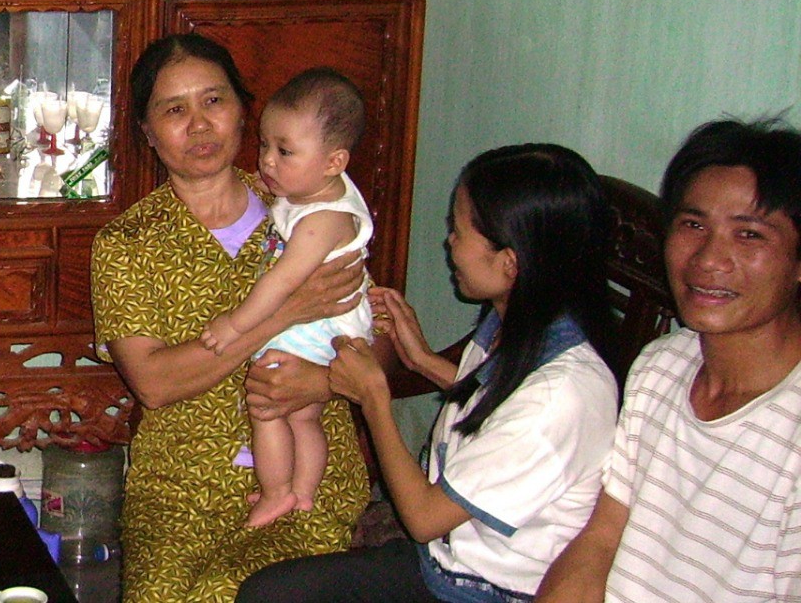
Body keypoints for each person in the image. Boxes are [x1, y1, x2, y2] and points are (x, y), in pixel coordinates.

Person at [239, 143, 623, 602]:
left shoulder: (562, 394)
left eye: (458, 232)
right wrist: (424, 362)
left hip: (484, 589)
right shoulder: (520, 319)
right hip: (445, 561)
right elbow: (498, 410)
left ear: (510, 262)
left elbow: (423, 519)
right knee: (269, 593)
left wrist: (374, 399)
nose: (449, 244)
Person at [92, 34, 369, 602]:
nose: (198, 125)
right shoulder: (125, 244)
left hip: (305, 478)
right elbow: (156, 382)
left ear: (245, 111)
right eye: (174, 110)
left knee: (228, 593)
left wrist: (318, 380)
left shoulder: (311, 206)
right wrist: (284, 314)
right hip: (180, 487)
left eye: (213, 101)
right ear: (147, 132)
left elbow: (370, 334)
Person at [538, 117, 801, 602]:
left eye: (749, 236)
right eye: (694, 225)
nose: (707, 259)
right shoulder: (662, 365)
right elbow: (600, 540)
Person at [201, 68, 375, 528]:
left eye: (285, 151)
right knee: (304, 418)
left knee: (266, 407)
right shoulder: (323, 192)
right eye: (263, 146)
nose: (268, 162)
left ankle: (277, 491)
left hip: (317, 328)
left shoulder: (321, 221)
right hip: (335, 327)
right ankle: (302, 491)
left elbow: (280, 283)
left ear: (334, 162)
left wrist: (235, 325)